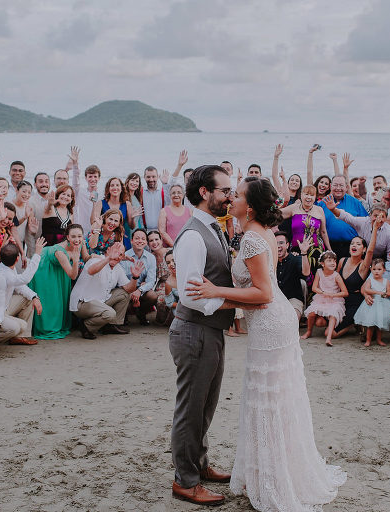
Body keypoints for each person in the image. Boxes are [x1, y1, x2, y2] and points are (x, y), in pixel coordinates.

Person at [184, 175, 346, 510]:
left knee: (269, 401)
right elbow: (258, 295)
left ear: (251, 207)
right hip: (270, 320)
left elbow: (263, 294)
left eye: (238, 194)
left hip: (271, 326)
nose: (232, 198)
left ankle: (275, 479)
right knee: (274, 400)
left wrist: (215, 291)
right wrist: (221, 300)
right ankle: (268, 472)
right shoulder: (257, 232)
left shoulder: (253, 239)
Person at [166, 165, 240, 506]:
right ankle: (186, 480)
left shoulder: (214, 227)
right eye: (224, 190)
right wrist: (235, 302)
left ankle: (199, 463)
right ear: (204, 193)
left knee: (206, 406)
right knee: (191, 409)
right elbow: (190, 294)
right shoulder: (194, 235)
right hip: (194, 330)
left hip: (211, 330)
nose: (230, 196)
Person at [70, 242, 140, 339]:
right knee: (110, 314)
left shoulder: (118, 268)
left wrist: (135, 278)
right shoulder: (96, 260)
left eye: (120, 254)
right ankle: (86, 326)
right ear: (108, 250)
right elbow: (91, 271)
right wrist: (109, 258)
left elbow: (129, 289)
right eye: (115, 252)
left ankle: (111, 326)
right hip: (82, 303)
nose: (117, 256)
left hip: (100, 301)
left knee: (124, 294)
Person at [29, 224, 84, 339]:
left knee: (61, 297)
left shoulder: (80, 243)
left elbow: (87, 256)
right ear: (67, 237)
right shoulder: (60, 252)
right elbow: (72, 276)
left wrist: (93, 256)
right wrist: (75, 261)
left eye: (79, 236)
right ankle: (46, 326)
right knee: (51, 299)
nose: (77, 239)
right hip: (45, 269)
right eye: (73, 236)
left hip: (60, 270)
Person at [333, 223, 379, 339]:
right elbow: (335, 282)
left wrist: (375, 228)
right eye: (352, 243)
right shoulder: (342, 261)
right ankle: (356, 322)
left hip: (355, 303)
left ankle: (354, 322)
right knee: (320, 322)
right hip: (340, 301)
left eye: (358, 244)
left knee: (332, 334)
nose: (354, 245)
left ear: (364, 249)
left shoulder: (363, 266)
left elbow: (370, 251)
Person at [0, 241, 44, 346]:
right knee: (20, 325)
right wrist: (37, 254)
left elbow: (19, 286)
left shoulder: (5, 267)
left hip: (4, 306)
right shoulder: (4, 272)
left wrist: (34, 297)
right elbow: (24, 279)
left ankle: (19, 337)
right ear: (17, 259)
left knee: (29, 298)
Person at [323, 196, 390, 260]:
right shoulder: (363, 222)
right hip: (360, 258)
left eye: (382, 217)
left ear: (386, 218)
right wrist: (333, 210)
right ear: (370, 215)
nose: (378, 219)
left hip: (379, 261)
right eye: (375, 216)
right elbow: (346, 217)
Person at [301, 251, 348, 346]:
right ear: (322, 264)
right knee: (311, 313)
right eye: (329, 261)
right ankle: (309, 331)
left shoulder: (336, 276)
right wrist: (323, 293)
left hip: (334, 300)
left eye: (334, 261)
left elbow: (345, 292)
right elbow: (314, 288)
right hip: (321, 298)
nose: (333, 263)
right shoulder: (319, 272)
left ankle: (329, 338)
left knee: (333, 314)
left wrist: (333, 295)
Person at [318, 174, 369, 259]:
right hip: (328, 246)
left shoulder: (355, 202)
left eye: (341, 185)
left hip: (351, 247)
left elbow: (366, 224)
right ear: (330, 186)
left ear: (346, 187)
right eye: (335, 185)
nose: (338, 188)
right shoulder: (322, 203)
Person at [354, 259, 390, 346]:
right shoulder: (370, 280)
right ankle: (368, 340)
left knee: (380, 324)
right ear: (371, 270)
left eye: (379, 269)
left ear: (384, 270)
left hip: (382, 304)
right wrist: (378, 292)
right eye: (374, 269)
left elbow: (389, 293)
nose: (376, 271)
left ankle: (379, 340)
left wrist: (384, 294)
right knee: (370, 324)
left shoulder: (386, 281)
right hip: (372, 303)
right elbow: (366, 289)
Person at [121, 228, 158, 326]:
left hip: (141, 288)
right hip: (127, 288)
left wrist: (140, 290)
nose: (140, 241)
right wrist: (132, 290)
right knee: (125, 298)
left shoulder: (151, 258)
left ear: (146, 242)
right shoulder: (125, 257)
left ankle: (141, 313)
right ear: (131, 241)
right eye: (137, 238)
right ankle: (123, 317)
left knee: (153, 296)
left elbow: (151, 281)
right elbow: (121, 279)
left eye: (143, 239)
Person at [274, 231, 312, 320]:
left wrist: (304, 253)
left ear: (287, 245)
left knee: (292, 319)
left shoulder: (296, 259)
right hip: (276, 300)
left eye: (281, 243)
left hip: (293, 299)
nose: (278, 246)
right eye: (275, 243)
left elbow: (306, 273)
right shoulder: (271, 261)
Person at [68, 146, 100, 234]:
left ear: (99, 178)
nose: (93, 179)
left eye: (95, 176)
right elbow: (75, 181)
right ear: (86, 178)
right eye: (90, 176)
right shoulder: (79, 192)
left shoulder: (103, 194)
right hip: (82, 230)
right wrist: (75, 164)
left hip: (97, 230)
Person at [142, 166, 171, 231]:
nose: (151, 179)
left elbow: (170, 205)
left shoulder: (163, 192)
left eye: (153, 176)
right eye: (148, 177)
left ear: (158, 176)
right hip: (144, 230)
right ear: (144, 177)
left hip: (161, 231)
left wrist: (165, 184)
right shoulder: (140, 192)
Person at [160, 250, 179, 327]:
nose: (171, 264)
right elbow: (170, 303)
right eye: (168, 262)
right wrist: (183, 305)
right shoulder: (168, 283)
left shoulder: (191, 275)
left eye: (174, 260)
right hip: (180, 307)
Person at [124, 172, 145, 236]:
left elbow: (139, 218)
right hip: (127, 229)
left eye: (137, 181)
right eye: (132, 180)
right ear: (127, 182)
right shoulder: (124, 197)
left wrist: (143, 230)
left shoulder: (137, 197)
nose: (134, 183)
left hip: (138, 229)